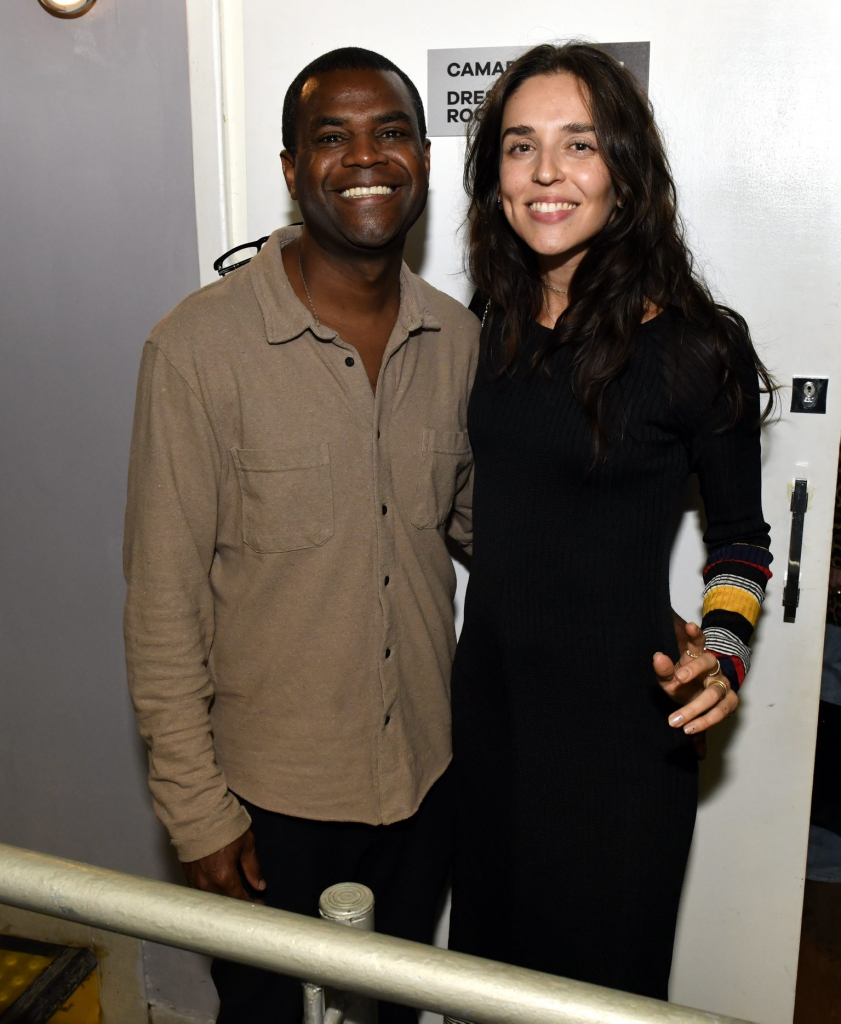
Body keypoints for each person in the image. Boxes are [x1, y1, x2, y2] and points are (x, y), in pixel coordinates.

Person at [123, 48, 479, 1024]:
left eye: (390, 132)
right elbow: (162, 603)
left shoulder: (460, 341)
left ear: (423, 156)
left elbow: (487, 527)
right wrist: (197, 811)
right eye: (332, 137)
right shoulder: (197, 349)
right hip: (266, 803)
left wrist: (622, 594)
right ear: (291, 167)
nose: (365, 158)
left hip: (426, 780)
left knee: (392, 1010)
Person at [446, 42, 774, 1004]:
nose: (546, 172)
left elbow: (741, 540)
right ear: (496, 179)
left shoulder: (696, 347)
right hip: (492, 715)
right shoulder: (488, 325)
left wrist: (723, 651)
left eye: (578, 144)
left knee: (598, 994)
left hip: (624, 738)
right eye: (520, 147)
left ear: (623, 173)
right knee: (486, 984)